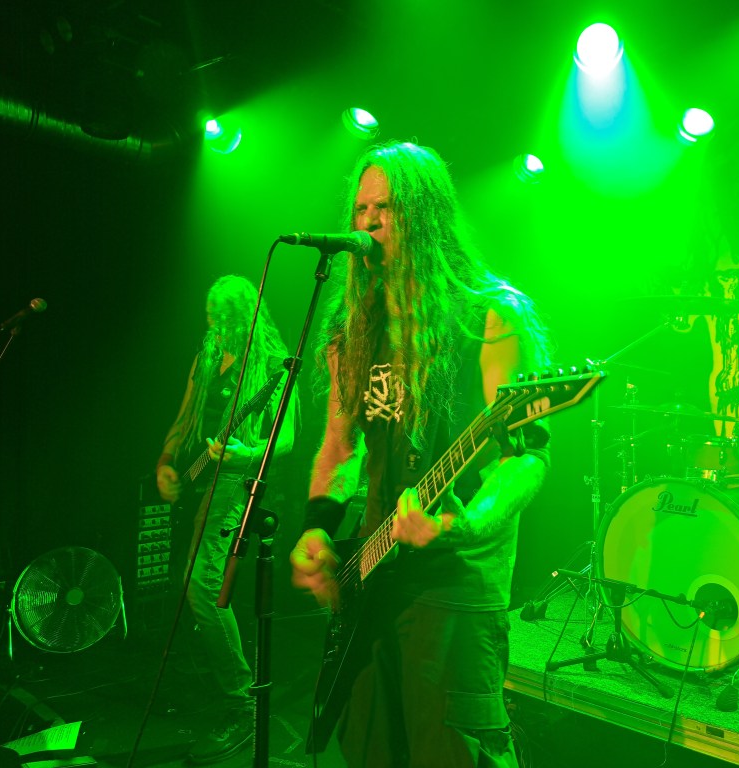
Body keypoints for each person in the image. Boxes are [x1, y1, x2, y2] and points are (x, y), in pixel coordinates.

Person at [289, 141, 552, 767]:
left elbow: (526, 455)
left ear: (426, 214)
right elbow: (340, 447)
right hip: (374, 574)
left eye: (386, 207)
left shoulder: (489, 316)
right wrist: (318, 527)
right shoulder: (353, 326)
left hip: (456, 583)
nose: (369, 222)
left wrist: (466, 522)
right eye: (360, 209)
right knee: (370, 751)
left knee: (452, 755)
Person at [156, 274, 298, 764]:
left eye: (224, 318)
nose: (215, 326)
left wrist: (246, 453)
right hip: (206, 481)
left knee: (203, 585)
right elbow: (184, 417)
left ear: (247, 318)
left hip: (241, 482)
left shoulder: (273, 365)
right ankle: (225, 684)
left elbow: (286, 439)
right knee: (192, 583)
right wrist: (166, 461)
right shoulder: (207, 359)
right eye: (210, 317)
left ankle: (242, 701)